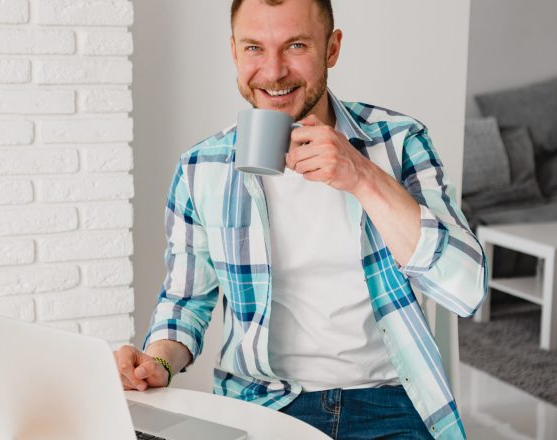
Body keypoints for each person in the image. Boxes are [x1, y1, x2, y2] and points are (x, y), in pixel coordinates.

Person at [114, 0, 488, 438]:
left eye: (295, 45)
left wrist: (363, 177)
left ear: (332, 49)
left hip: (391, 400)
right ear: (234, 52)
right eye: (254, 48)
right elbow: (186, 301)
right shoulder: (202, 167)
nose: (273, 72)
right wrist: (156, 361)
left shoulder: (399, 142)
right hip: (263, 402)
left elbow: (467, 288)